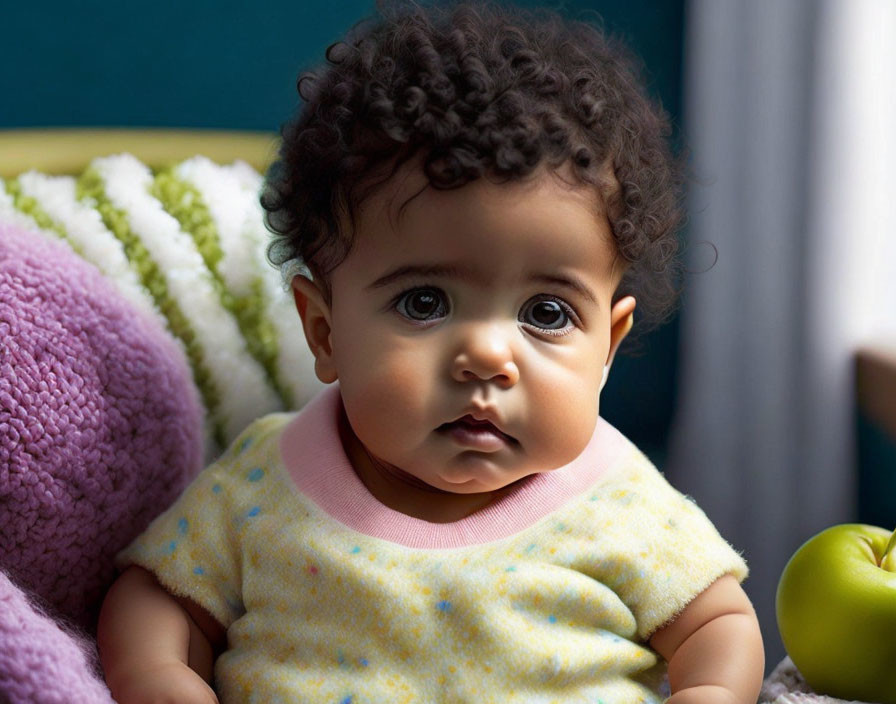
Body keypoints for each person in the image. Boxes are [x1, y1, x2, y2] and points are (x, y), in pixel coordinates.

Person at [97, 1, 765, 702]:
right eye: (424, 303)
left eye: (546, 313)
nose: (485, 356)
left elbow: (716, 622)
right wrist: (160, 676)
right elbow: (157, 596)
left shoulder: (620, 497)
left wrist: (708, 692)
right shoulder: (267, 482)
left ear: (607, 346)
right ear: (324, 333)